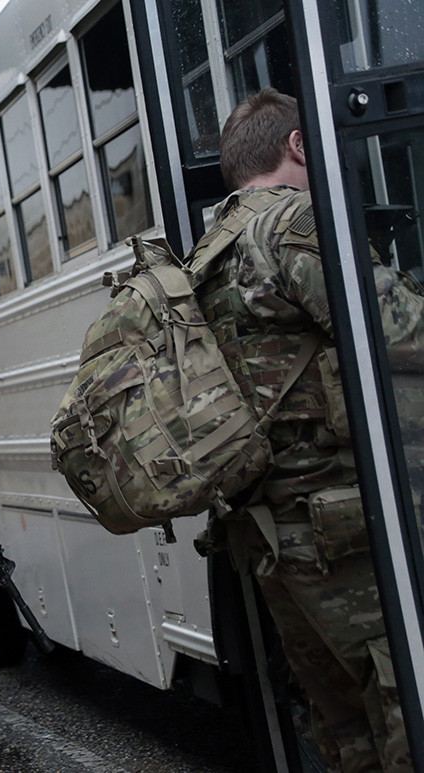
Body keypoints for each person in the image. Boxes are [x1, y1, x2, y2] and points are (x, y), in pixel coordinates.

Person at [191, 88, 419, 771]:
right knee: (402, 696)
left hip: (273, 534)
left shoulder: (207, 252)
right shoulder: (294, 223)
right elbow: (398, 331)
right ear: (296, 146)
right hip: (343, 528)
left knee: (343, 720)